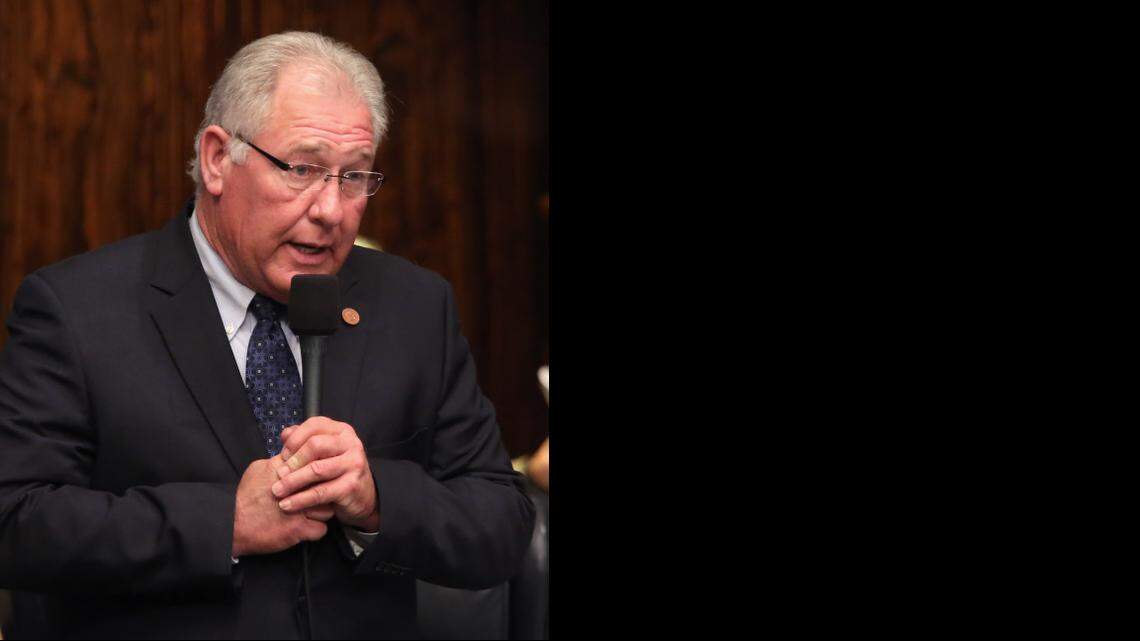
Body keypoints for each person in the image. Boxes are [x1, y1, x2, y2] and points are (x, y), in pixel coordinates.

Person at [0, 31, 534, 639]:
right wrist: (223, 522)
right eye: (303, 169)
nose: (331, 210)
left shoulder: (413, 305)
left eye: (355, 177)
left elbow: (502, 522)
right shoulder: (77, 310)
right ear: (217, 159)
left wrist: (376, 498)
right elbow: (15, 521)